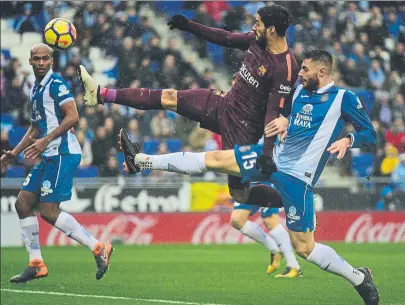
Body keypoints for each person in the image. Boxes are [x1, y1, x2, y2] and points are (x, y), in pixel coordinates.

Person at [119, 50, 380, 304]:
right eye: (300, 67)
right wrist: (284, 120)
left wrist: (348, 139)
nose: (300, 73)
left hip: (299, 178)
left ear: (322, 71)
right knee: (216, 159)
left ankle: (358, 278)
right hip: (272, 157)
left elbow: (370, 134)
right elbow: (285, 114)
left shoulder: (343, 98)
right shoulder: (299, 91)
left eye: (305, 69)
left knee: (304, 248)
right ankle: (141, 161)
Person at [80, 4, 300, 276]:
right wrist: (190, 27)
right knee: (169, 97)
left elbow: (273, 111)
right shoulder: (256, 39)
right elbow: (227, 39)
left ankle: (293, 200)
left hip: (244, 130)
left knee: (239, 195)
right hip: (222, 104)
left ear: (272, 29)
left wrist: (267, 151)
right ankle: (100, 93)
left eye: (257, 22)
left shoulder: (286, 67)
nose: (253, 26)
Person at [0, 44, 113, 283]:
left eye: (45, 59)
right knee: (22, 203)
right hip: (49, 153)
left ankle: (98, 247)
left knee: (49, 212)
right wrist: (15, 153)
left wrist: (45, 141)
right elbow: (35, 126)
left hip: (63, 152)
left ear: (51, 61)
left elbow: (73, 116)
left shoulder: (57, 84)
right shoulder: (36, 90)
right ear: (30, 61)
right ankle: (36, 263)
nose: (41, 63)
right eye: (36, 59)